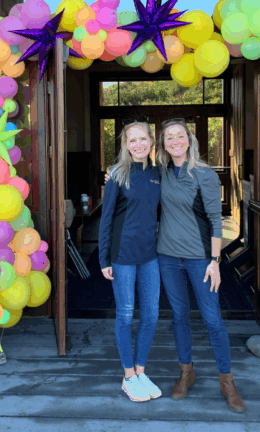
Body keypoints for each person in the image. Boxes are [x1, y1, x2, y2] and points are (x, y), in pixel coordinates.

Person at [154, 118, 245, 413]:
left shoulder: (204, 174)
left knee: (212, 319)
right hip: (167, 257)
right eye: (169, 137)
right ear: (164, 144)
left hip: (199, 259)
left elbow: (216, 221)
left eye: (180, 135)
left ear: (189, 139)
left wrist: (215, 261)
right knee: (179, 315)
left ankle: (227, 381)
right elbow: (134, 177)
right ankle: (186, 373)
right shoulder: (161, 172)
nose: (175, 141)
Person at [98, 121, 162, 403]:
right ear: (125, 145)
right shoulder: (118, 175)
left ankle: (140, 371)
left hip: (150, 255)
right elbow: (106, 220)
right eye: (132, 140)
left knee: (151, 315)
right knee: (125, 314)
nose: (138, 144)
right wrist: (103, 259)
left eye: (143, 139)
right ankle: (127, 377)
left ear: (151, 141)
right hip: (122, 256)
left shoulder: (160, 173)